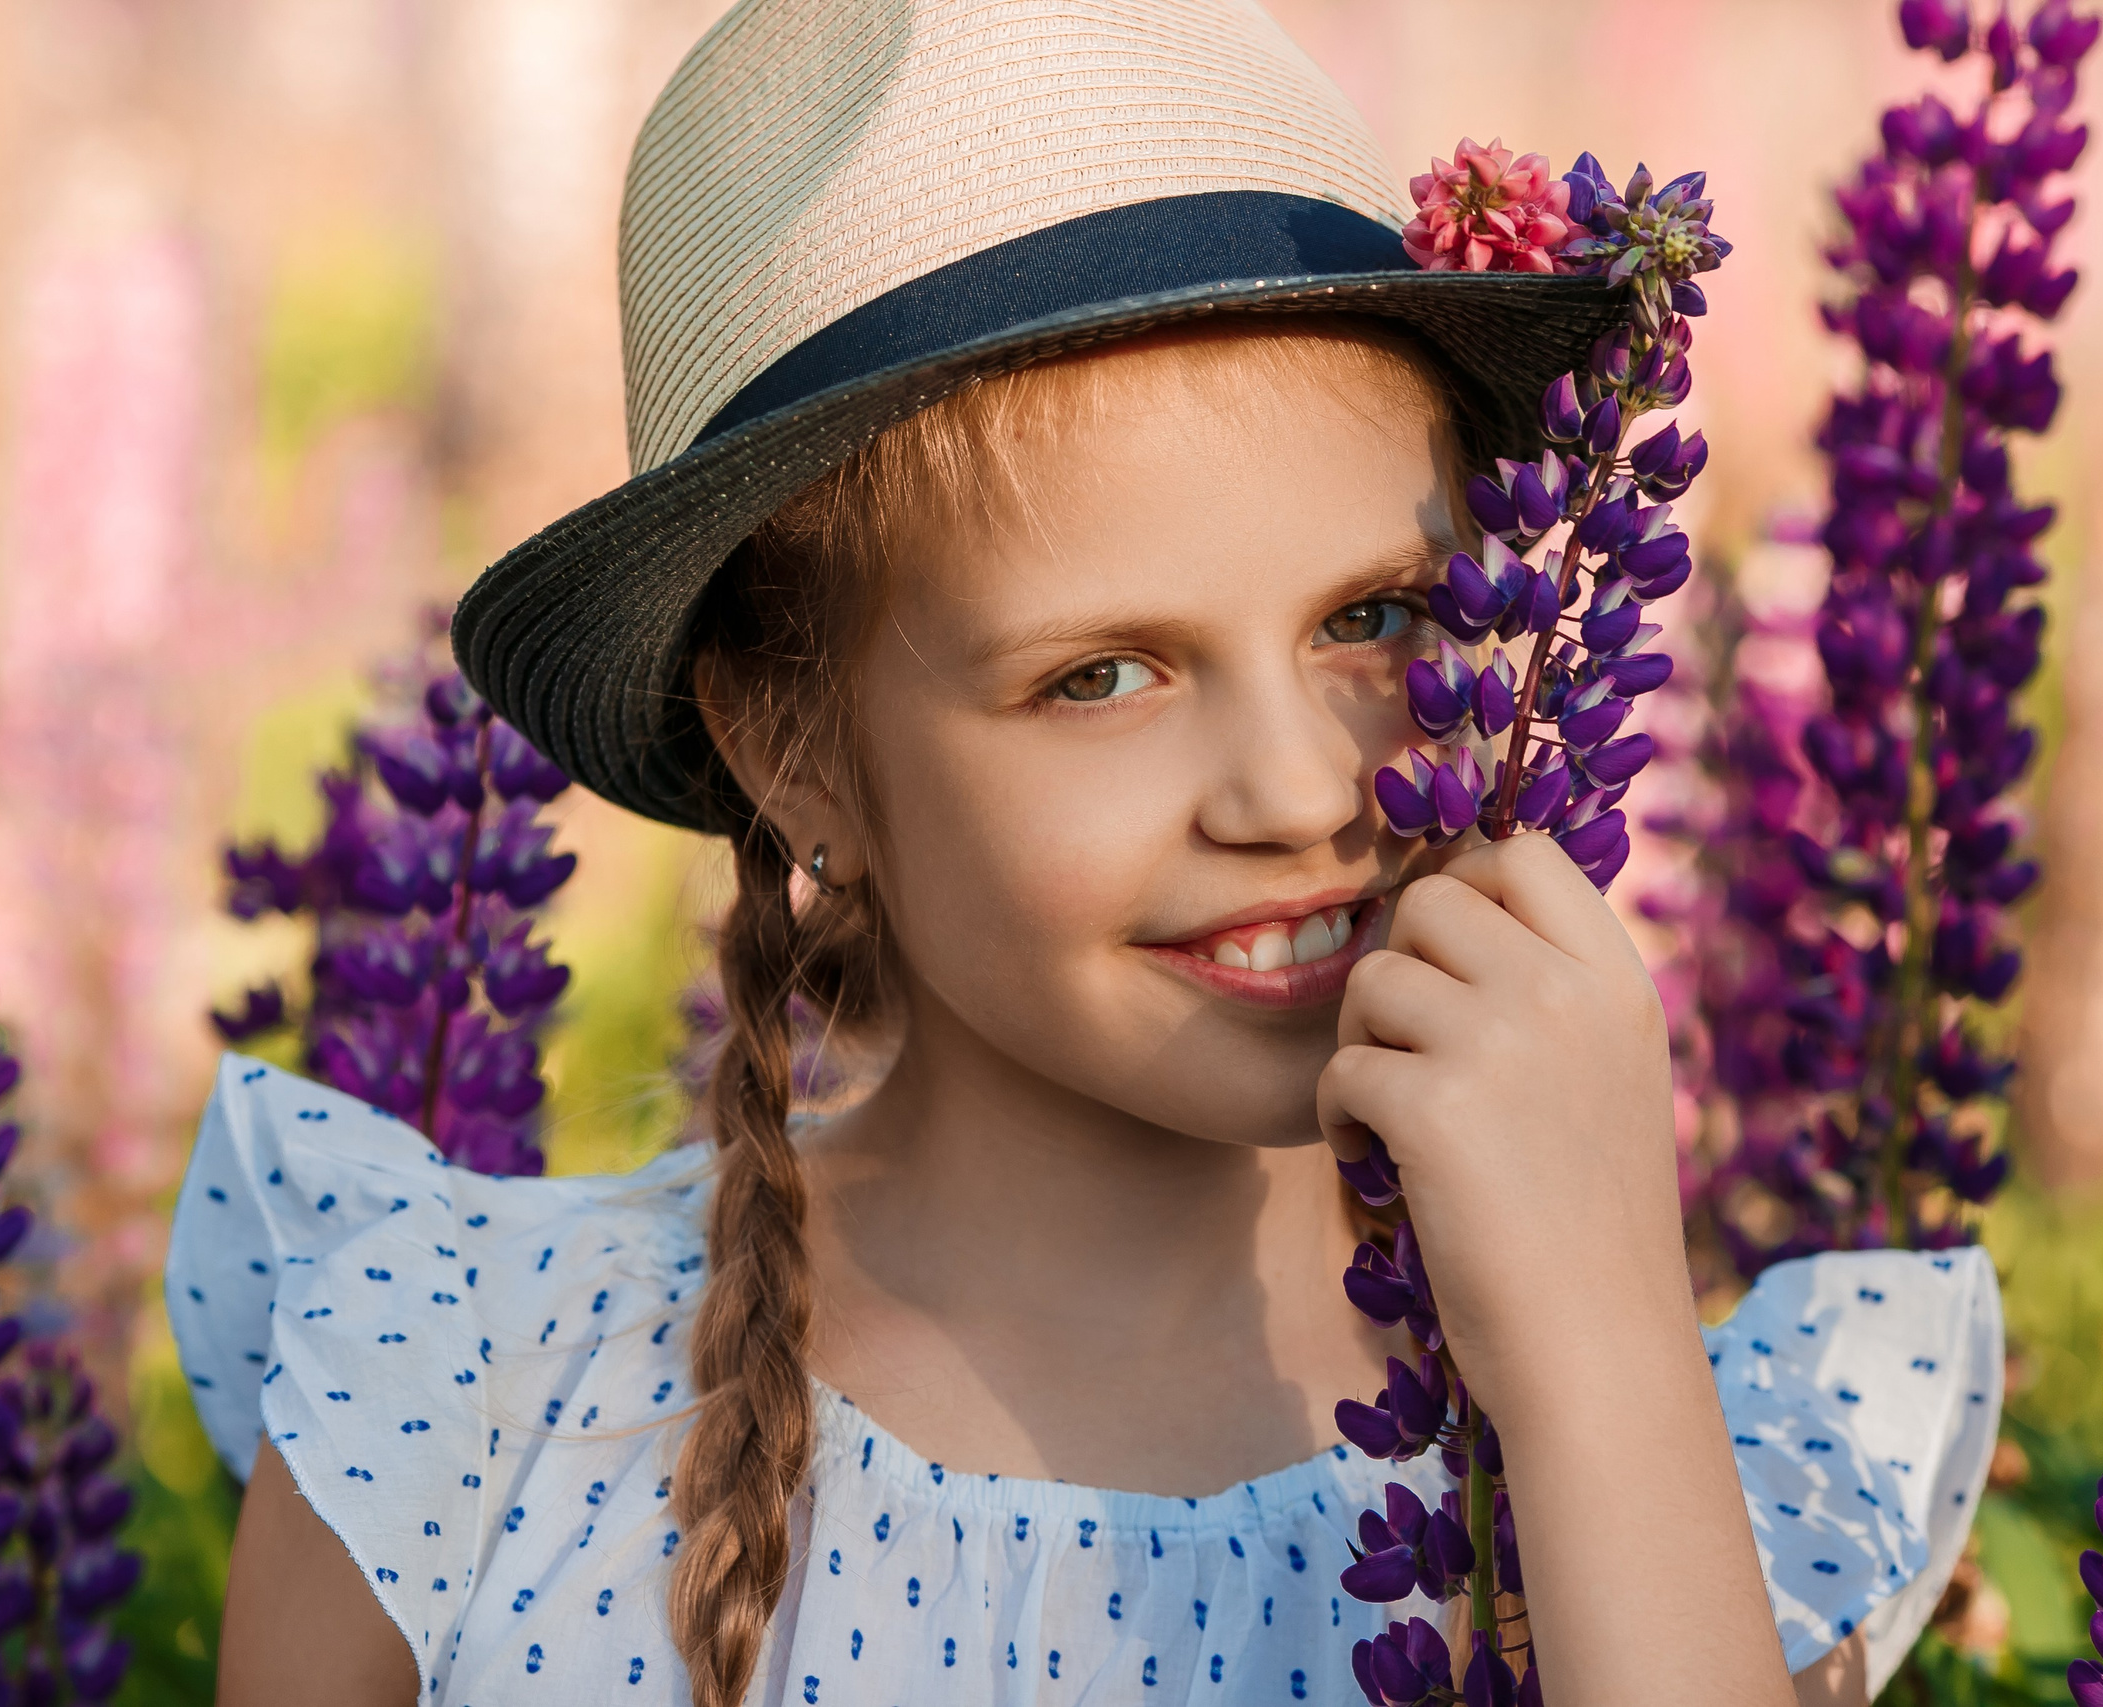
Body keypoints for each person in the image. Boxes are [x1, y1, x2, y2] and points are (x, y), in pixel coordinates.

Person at [174, 2, 2004, 1703]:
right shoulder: (465, 1392)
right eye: (1102, 675)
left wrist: (1603, 1358)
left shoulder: (1711, 1465)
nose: (1297, 793)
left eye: (1375, 613)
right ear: (786, 744)